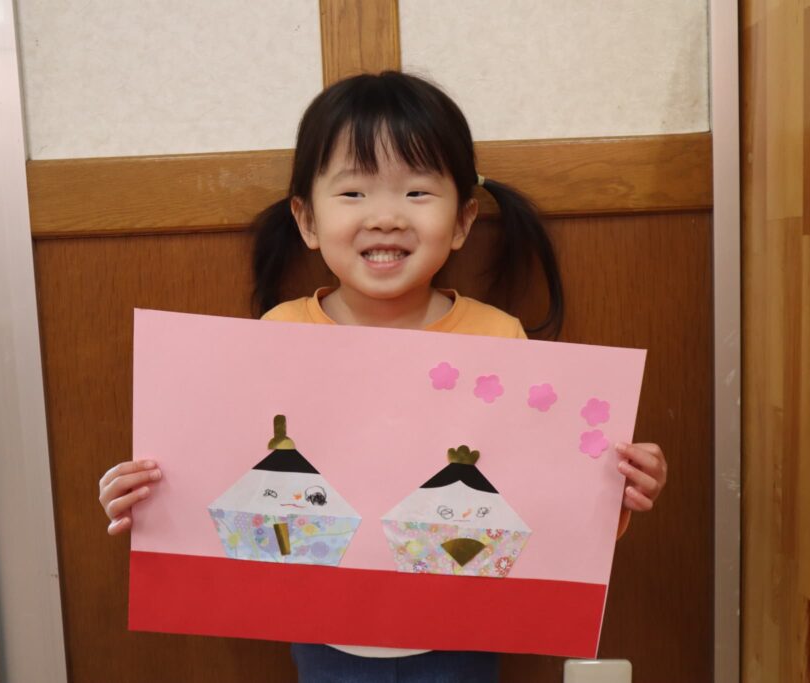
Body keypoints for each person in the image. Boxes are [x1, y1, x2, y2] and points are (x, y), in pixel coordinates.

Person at [98, 71, 668, 683]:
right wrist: (146, 496)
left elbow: (536, 497)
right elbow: (230, 479)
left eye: (417, 192)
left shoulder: (498, 339)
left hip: (463, 631)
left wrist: (615, 490)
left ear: (462, 221)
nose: (387, 216)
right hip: (323, 633)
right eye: (353, 193)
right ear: (306, 220)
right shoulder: (277, 335)